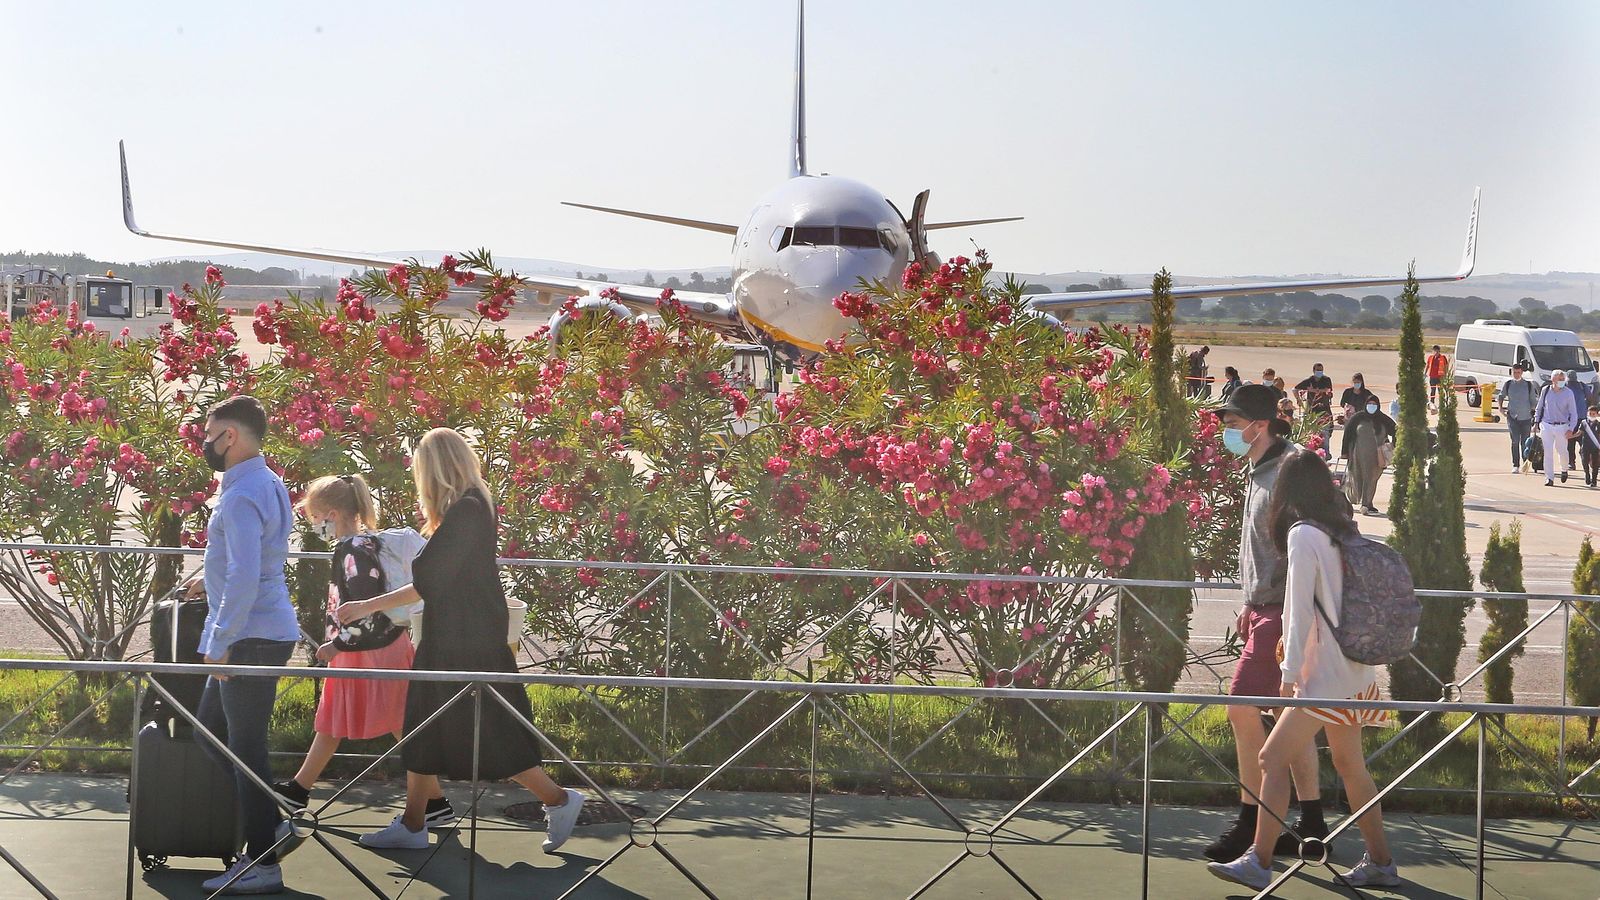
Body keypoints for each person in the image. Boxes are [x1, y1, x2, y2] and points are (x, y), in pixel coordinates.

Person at [338, 428, 586, 851]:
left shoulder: (467, 511)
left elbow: (428, 579)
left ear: (433, 470)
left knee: (489, 730)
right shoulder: (472, 507)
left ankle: (558, 799)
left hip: (463, 643)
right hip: (458, 638)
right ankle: (415, 823)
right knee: (425, 728)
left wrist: (367, 606)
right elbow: (432, 580)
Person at [1208, 450, 1399, 891]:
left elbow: (1295, 613)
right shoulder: (1340, 530)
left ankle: (1258, 860)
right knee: (1352, 766)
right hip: (1356, 672)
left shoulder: (1302, 535)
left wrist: (1288, 676)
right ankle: (1381, 862)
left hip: (1321, 676)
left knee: (1271, 758)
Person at [271, 474, 455, 829]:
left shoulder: (350, 550)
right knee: (345, 720)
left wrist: (336, 644)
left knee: (395, 724)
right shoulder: (369, 544)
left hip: (368, 650)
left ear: (333, 513)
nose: (313, 525)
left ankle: (434, 803)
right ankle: (299, 788)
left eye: (314, 517)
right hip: (382, 646)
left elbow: (360, 609)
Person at [1203, 385, 1327, 864]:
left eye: (1232, 424)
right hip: (1262, 608)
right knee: (1285, 718)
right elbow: (1259, 546)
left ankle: (1253, 823)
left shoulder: (1290, 471)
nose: (1227, 432)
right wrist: (1247, 602)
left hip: (1283, 612)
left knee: (1242, 708)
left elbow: (1305, 547)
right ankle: (1311, 822)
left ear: (1260, 424)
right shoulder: (1258, 468)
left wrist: (1285, 611)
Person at [188, 396, 305, 895]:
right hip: (258, 630)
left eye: (208, 435)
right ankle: (271, 824)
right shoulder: (267, 480)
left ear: (229, 436)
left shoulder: (239, 495)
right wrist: (206, 584)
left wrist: (220, 640)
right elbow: (245, 562)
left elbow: (243, 574)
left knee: (243, 744)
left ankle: (262, 857)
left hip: (249, 636)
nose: (205, 444)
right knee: (213, 731)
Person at [1341, 400, 1396, 515]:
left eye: (1374, 404)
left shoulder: (1383, 419)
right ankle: (1352, 499)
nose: (1372, 406)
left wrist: (1393, 446)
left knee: (1371, 478)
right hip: (1358, 455)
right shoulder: (1357, 418)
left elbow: (1395, 431)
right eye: (1369, 404)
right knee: (1356, 477)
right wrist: (1345, 451)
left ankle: (1366, 503)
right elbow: (1347, 434)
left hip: (1377, 457)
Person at [1535, 370, 1579, 486]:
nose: (1562, 381)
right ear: (1553, 379)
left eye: (1563, 379)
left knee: (1562, 451)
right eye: (1559, 379)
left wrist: (1571, 428)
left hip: (1562, 426)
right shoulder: (1545, 391)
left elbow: (1573, 413)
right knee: (1548, 452)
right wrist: (1536, 422)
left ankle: (1564, 469)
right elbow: (1539, 407)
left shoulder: (1568, 393)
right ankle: (1549, 477)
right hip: (1547, 425)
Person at [1499, 363, 1538, 473]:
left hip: (1526, 418)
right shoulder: (1508, 384)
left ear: (1522, 372)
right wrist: (1501, 408)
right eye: (1515, 372)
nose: (1516, 374)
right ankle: (1515, 464)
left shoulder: (1528, 385)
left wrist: (1534, 414)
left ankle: (1525, 463)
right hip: (1512, 417)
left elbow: (1533, 401)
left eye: (1518, 372)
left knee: (1525, 442)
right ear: (1512, 372)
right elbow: (1501, 396)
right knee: (1515, 441)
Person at [1566, 371, 1590, 470]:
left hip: (1577, 418)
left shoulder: (1581, 386)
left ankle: (1577, 461)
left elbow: (1589, 397)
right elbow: (1590, 397)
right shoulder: (1581, 385)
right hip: (1574, 418)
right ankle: (1573, 462)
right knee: (1573, 442)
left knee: (1579, 442)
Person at [1579, 407, 1600, 488]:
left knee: (1595, 464)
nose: (1591, 415)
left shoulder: (1598, 424)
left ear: (1597, 414)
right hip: (1585, 446)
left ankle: (1594, 480)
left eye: (1593, 414)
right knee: (1584, 461)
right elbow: (1579, 432)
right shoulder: (1584, 423)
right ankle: (1587, 474)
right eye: (1590, 413)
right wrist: (1571, 436)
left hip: (1595, 446)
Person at [1425, 345, 1449, 409]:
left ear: (1439, 351)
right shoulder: (1430, 357)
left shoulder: (1442, 357)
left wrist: (1445, 374)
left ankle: (1442, 404)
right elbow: (1427, 365)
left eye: (1437, 351)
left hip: (1440, 377)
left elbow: (1446, 366)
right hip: (1432, 377)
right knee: (1432, 391)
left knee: (1440, 391)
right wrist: (1425, 373)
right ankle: (1432, 404)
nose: (1436, 352)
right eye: (1435, 351)